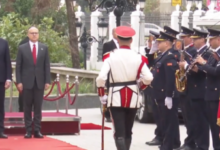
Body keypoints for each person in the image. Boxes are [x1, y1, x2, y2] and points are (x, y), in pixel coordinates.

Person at [96, 26, 153, 150]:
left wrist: (102, 94)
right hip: (133, 96)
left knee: (119, 131)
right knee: (128, 130)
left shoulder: (110, 56)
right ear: (131, 40)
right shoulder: (138, 57)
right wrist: (140, 85)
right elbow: (148, 77)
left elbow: (101, 78)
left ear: (118, 39)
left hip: (115, 96)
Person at [16, 26, 51, 138]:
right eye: (32, 33)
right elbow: (18, 66)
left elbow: (46, 66)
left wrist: (47, 81)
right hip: (26, 82)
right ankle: (28, 130)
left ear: (38, 34)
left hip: (39, 82)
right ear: (28, 34)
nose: (34, 35)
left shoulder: (43, 48)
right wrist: (19, 81)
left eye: (36, 33)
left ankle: (37, 130)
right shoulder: (22, 48)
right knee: (27, 107)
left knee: (38, 107)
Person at [179, 28, 211, 150]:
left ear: (203, 39)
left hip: (200, 91)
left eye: (196, 38)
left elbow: (204, 72)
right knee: (194, 121)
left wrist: (187, 66)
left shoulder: (206, 53)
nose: (193, 40)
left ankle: (202, 146)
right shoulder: (198, 52)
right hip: (192, 90)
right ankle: (196, 143)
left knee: (201, 122)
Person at [150, 31, 180, 150]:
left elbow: (170, 78)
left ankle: (168, 146)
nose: (158, 44)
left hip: (166, 95)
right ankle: (166, 144)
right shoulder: (163, 56)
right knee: (164, 121)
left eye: (160, 42)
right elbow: (153, 66)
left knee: (169, 122)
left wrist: (169, 95)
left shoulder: (169, 57)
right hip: (160, 94)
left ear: (167, 43)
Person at [195, 28, 220, 150]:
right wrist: (199, 68)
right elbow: (209, 68)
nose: (209, 42)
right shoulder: (214, 53)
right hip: (210, 94)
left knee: (217, 127)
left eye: (212, 39)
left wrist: (203, 64)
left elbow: (216, 72)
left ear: (218, 39)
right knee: (213, 127)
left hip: (216, 95)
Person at [175, 26, 197, 150]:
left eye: (184, 37)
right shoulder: (183, 50)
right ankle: (189, 141)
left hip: (191, 88)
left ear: (189, 38)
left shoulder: (193, 50)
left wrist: (185, 64)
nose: (182, 40)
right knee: (186, 117)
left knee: (191, 117)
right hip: (184, 88)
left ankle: (191, 142)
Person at [145, 30, 163, 146]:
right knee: (157, 114)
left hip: (162, 88)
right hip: (154, 86)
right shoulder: (154, 53)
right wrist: (151, 51)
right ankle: (159, 135)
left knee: (162, 115)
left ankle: (161, 136)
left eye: (156, 40)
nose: (154, 43)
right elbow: (148, 64)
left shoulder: (164, 53)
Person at [102, 28, 119, 122]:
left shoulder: (123, 45)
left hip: (120, 72)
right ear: (113, 34)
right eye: (116, 32)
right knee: (108, 92)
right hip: (110, 72)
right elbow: (104, 58)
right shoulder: (107, 45)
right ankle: (108, 114)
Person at [0, 38, 12, 138]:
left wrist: (8, 78)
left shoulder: (3, 43)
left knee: (0, 106)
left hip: (1, 80)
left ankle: (0, 130)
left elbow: (7, 61)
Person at [17, 36, 30, 112]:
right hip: (24, 76)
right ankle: (22, 111)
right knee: (23, 96)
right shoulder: (23, 44)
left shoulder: (40, 46)